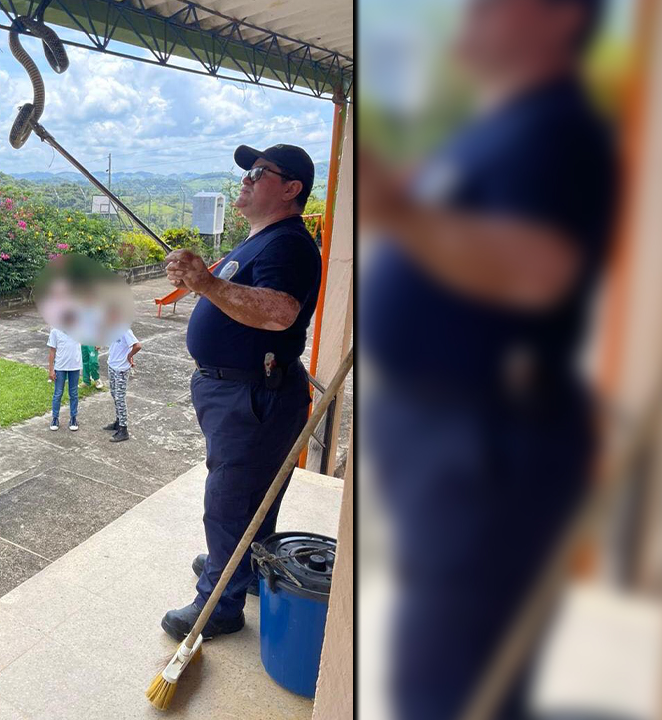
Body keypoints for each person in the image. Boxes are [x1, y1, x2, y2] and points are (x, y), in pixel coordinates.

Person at [359, 0, 613, 717]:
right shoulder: (494, 131)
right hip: (445, 429)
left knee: (453, 674)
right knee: (448, 655)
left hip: (488, 437)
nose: (469, 14)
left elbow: (538, 271)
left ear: (560, 18)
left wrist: (401, 213)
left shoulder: (558, 129)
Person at [160, 143, 320, 642]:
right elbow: (233, 297)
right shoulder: (262, 239)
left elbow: (279, 312)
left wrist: (206, 284)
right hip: (237, 392)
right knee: (250, 495)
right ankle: (242, 566)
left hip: (253, 394)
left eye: (258, 172)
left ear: (291, 188)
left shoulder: (287, 243)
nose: (245, 180)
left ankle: (219, 606)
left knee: (231, 500)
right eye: (246, 172)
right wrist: (198, 280)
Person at [103, 324, 142, 443]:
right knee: (114, 394)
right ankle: (118, 422)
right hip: (112, 365)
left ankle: (123, 429)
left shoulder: (125, 330)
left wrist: (129, 356)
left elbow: (137, 345)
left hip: (121, 369)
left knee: (120, 397)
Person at [47, 325, 82, 431]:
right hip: (60, 367)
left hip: (74, 366)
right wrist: (51, 369)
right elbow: (52, 351)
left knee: (74, 393)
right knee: (58, 393)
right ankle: (55, 418)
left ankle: (73, 418)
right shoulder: (55, 331)